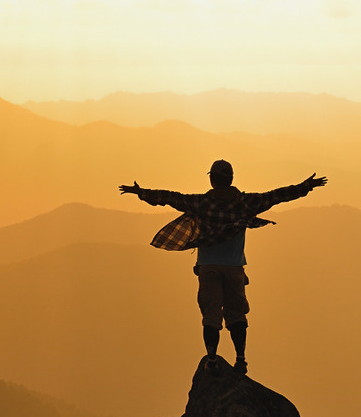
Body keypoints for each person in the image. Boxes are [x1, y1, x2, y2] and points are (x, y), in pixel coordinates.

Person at [119, 159, 327, 374]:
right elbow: (277, 196)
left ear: (212, 180)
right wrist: (306, 186)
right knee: (236, 314)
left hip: (208, 267)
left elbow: (172, 198)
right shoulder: (246, 203)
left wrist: (141, 192)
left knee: (211, 315)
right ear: (231, 179)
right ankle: (241, 359)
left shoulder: (203, 204)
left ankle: (211, 358)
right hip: (234, 268)